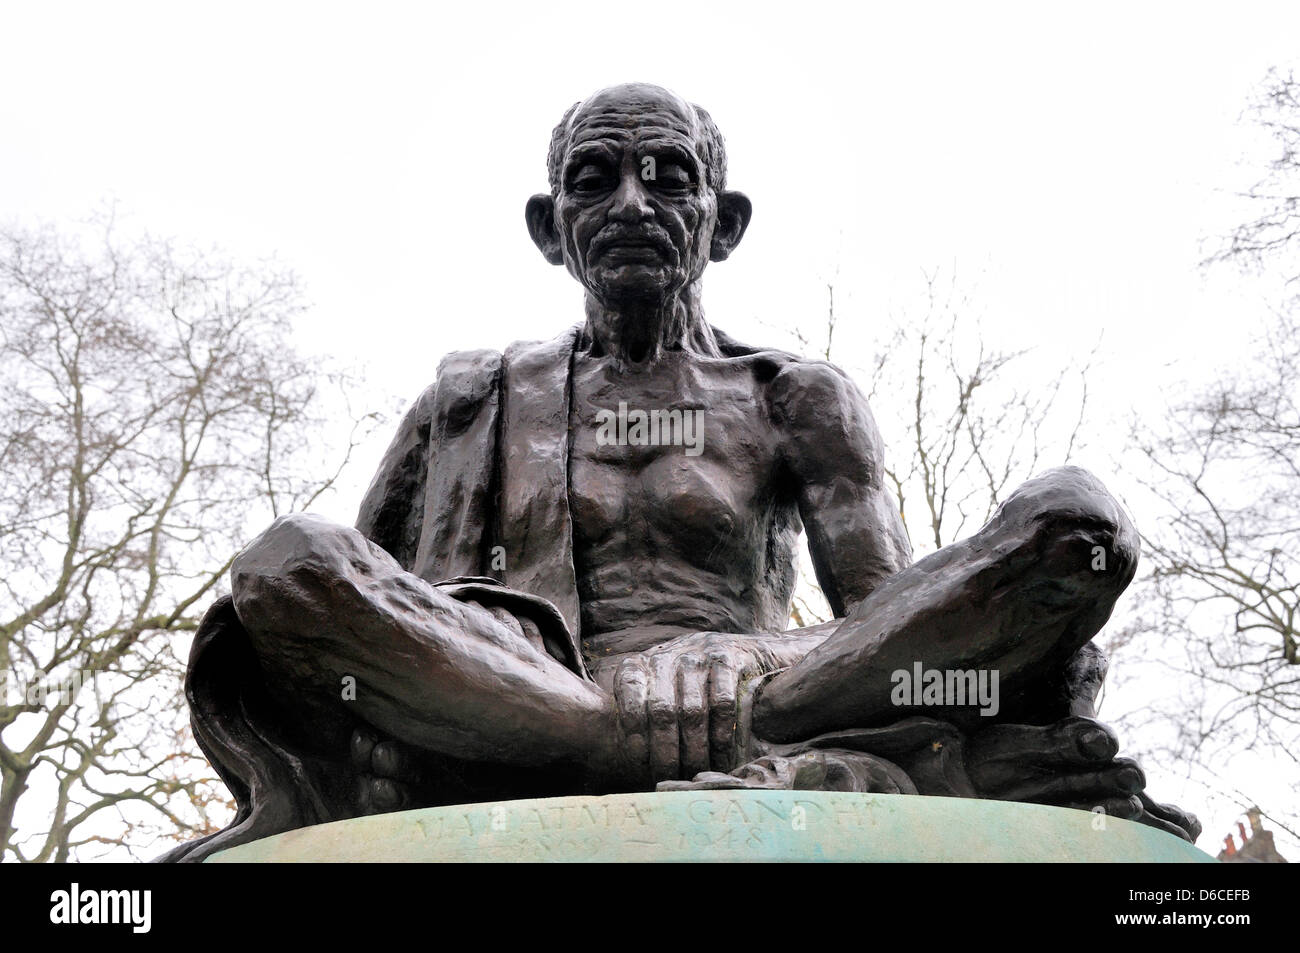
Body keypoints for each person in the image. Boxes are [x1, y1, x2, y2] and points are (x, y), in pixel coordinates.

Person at [163, 83, 1197, 862]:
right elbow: (378, 609)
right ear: (548, 227)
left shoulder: (796, 396)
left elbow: (885, 621)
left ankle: (602, 742)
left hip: (774, 694)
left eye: (666, 175)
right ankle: (579, 734)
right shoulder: (470, 396)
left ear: (723, 219)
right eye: (594, 177)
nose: (630, 201)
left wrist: (738, 654)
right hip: (523, 693)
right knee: (287, 564)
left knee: (1074, 522)